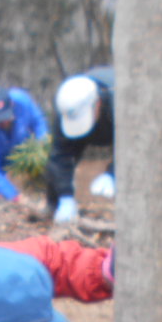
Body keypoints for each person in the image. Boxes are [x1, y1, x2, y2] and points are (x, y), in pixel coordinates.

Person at [46, 66, 114, 223]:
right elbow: (59, 156)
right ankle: (53, 207)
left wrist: (113, 173)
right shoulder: (66, 108)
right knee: (55, 166)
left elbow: (134, 147)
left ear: (97, 104)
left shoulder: (119, 102)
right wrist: (65, 196)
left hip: (113, 126)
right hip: (88, 125)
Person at [0, 85, 47, 202]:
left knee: (46, 170)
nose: (3, 122)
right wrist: (13, 195)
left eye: (6, 116)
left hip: (21, 147)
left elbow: (38, 122)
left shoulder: (22, 101)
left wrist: (43, 146)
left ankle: (46, 197)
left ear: (11, 105)